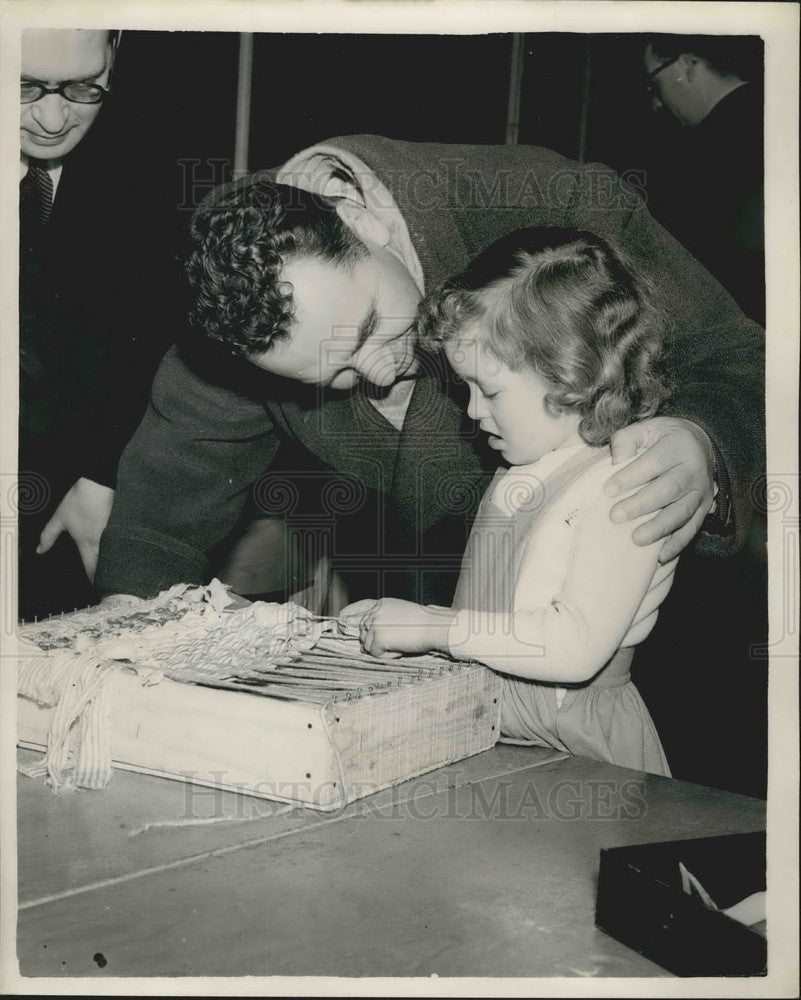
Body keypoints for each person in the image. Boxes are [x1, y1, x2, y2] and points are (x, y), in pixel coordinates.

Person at [94, 134, 763, 615]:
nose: (376, 375)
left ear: (356, 218)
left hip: (655, 597)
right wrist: (127, 628)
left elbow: (742, 361)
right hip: (442, 604)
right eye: (327, 378)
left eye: (364, 330)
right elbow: (166, 508)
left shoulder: (558, 206)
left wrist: (702, 439)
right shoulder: (236, 305)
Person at [341, 227, 678, 773]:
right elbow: (504, 619)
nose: (472, 411)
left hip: (580, 743)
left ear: (572, 372)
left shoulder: (621, 485)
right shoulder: (519, 467)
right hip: (496, 720)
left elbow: (574, 648)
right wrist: (414, 636)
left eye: (489, 391)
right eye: (465, 388)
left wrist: (433, 627)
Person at [18, 29, 178, 620]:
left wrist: (99, 475)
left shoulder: (140, 168)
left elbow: (148, 337)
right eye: (25, 86)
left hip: (62, 505)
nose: (55, 118)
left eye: (85, 89)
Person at [643, 34, 764, 324]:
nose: (656, 103)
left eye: (654, 83)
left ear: (687, 64)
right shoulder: (771, 111)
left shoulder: (710, 149)